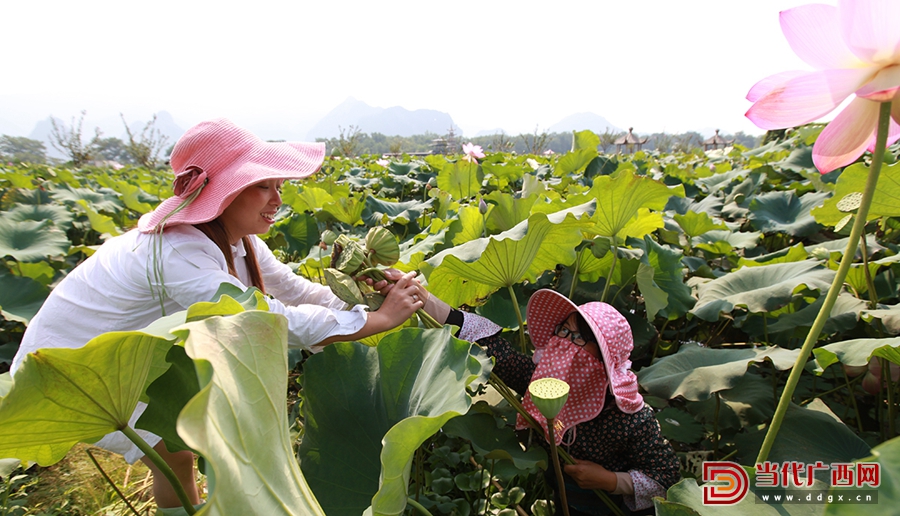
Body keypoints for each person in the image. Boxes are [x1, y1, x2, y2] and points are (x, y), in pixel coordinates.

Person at [10, 118, 424, 510]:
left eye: (278, 186)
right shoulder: (180, 251)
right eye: (263, 187)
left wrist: (359, 300)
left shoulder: (237, 238)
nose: (277, 200)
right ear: (223, 194)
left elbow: (294, 290)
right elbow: (273, 318)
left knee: (181, 452)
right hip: (69, 367)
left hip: (124, 354)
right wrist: (377, 321)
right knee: (175, 455)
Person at [375, 279, 681, 515]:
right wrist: (423, 298)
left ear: (604, 356)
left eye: (577, 338)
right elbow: (492, 346)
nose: (563, 344)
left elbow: (666, 480)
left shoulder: (630, 417)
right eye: (562, 332)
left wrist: (610, 481)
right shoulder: (541, 383)